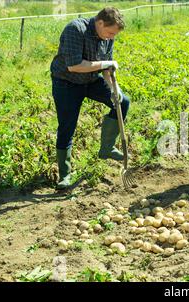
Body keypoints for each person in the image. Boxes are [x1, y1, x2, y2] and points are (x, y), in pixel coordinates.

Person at [50, 7, 130, 190]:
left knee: (122, 102)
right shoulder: (75, 29)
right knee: (67, 126)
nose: (111, 37)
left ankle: (107, 148)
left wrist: (114, 89)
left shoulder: (108, 37)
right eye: (109, 33)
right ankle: (64, 175)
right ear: (100, 22)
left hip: (92, 80)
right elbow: (74, 66)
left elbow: (106, 68)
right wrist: (105, 63)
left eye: (114, 35)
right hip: (67, 82)